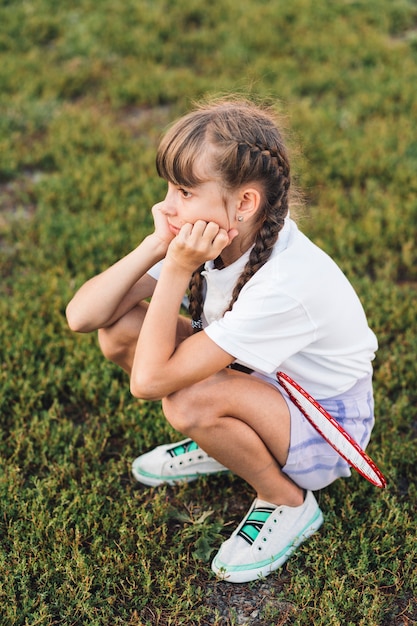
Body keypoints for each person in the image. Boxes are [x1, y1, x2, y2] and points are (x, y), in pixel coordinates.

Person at [66, 97, 378, 584]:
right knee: (120, 328)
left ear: (245, 202)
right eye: (169, 187)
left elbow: (149, 382)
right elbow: (83, 316)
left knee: (188, 400)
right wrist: (156, 246)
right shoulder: (211, 236)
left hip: (327, 426)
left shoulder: (284, 281)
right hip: (267, 386)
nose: (165, 206)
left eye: (184, 191)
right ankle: (229, 442)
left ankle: (288, 501)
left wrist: (174, 270)